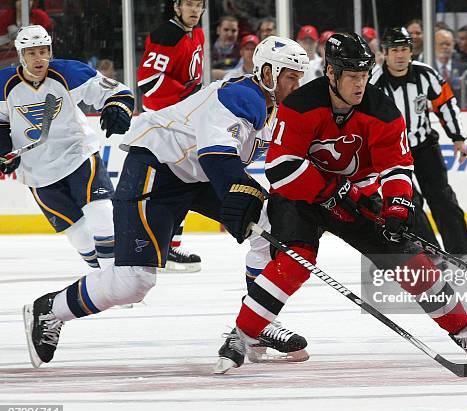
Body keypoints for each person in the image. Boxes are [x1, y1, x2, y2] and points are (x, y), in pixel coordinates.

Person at [214, 33, 467, 374]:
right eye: (352, 76)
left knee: (409, 259)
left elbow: (397, 165)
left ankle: (464, 331)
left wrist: (396, 206)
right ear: (331, 74)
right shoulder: (301, 105)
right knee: (295, 262)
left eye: (363, 75)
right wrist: (330, 190)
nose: (360, 84)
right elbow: (280, 167)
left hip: (355, 198)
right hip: (299, 198)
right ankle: (241, 335)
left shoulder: (380, 108)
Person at [23, 36, 312, 369]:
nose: (297, 84)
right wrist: (239, 191)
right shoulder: (243, 98)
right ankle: (50, 309)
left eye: (299, 76)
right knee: (133, 282)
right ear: (267, 72)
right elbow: (218, 157)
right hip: (157, 167)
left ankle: (257, 323)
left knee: (270, 224)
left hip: (195, 174)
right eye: (291, 75)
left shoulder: (273, 106)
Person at [0, 25, 133, 270]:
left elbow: (118, 91)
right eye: (31, 52)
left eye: (43, 51)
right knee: (79, 235)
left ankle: (116, 278)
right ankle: (103, 278)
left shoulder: (68, 72)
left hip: (78, 154)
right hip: (37, 171)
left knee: (102, 214)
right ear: (21, 55)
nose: (38, 58)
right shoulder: (4, 84)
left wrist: (117, 106)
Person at [371, 27, 467, 257]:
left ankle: (461, 252)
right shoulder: (374, 82)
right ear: (385, 53)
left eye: (404, 49)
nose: (400, 55)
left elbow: (446, 103)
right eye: (395, 50)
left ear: (411, 51)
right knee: (410, 203)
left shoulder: (426, 74)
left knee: (442, 198)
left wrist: (457, 137)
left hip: (425, 145)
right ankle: (431, 253)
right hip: (393, 152)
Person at [137, 0, 205, 272]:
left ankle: (168, 246)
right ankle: (160, 247)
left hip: (182, 120)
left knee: (183, 181)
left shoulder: (196, 34)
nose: (194, 10)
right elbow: (148, 82)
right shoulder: (167, 35)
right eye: (188, 3)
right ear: (176, 6)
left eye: (199, 5)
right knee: (174, 182)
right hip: (163, 123)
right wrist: (188, 99)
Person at [435, 29, 467, 102]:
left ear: (453, 45)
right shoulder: (427, 66)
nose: (445, 47)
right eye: (441, 44)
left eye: (448, 44)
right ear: (434, 45)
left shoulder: (463, 66)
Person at [211, 15, 240, 80]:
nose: (230, 34)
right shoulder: (206, 49)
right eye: (226, 30)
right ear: (218, 30)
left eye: (234, 31)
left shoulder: (243, 51)